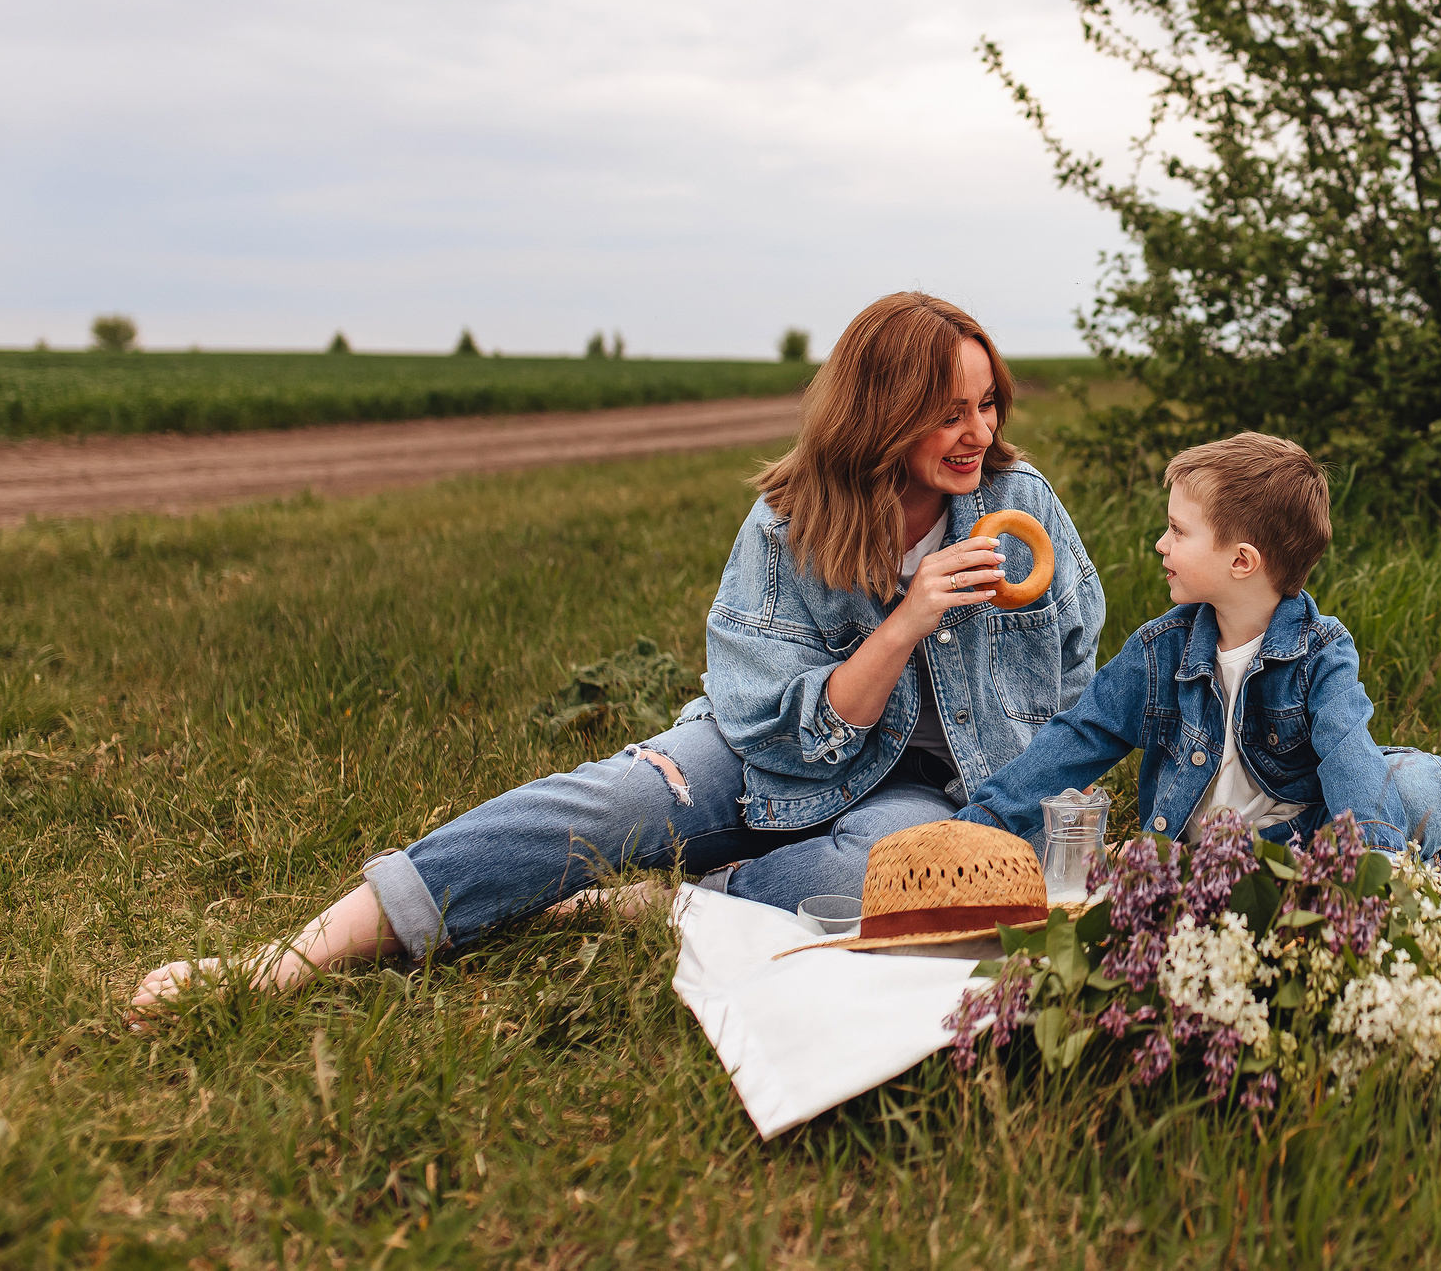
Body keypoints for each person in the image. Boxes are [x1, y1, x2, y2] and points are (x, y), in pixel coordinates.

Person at [131, 292, 1105, 1014]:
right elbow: (783, 730)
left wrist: (1039, 812)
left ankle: (674, 899)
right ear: (884, 411)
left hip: (923, 789)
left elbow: (1072, 673)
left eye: (988, 406)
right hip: (772, 752)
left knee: (874, 882)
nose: (978, 432)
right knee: (606, 803)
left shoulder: (1022, 508)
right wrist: (902, 624)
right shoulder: (790, 526)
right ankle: (289, 956)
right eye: (950, 412)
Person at [957, 431, 1441, 860]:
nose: (1161, 543)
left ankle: (1378, 875)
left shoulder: (1321, 653)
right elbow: (1079, 737)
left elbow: (1347, 754)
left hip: (1294, 859)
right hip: (1190, 861)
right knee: (1398, 784)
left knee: (1419, 783)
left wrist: (1374, 869)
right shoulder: (1160, 652)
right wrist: (978, 824)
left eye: (1178, 530)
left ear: (1241, 561)